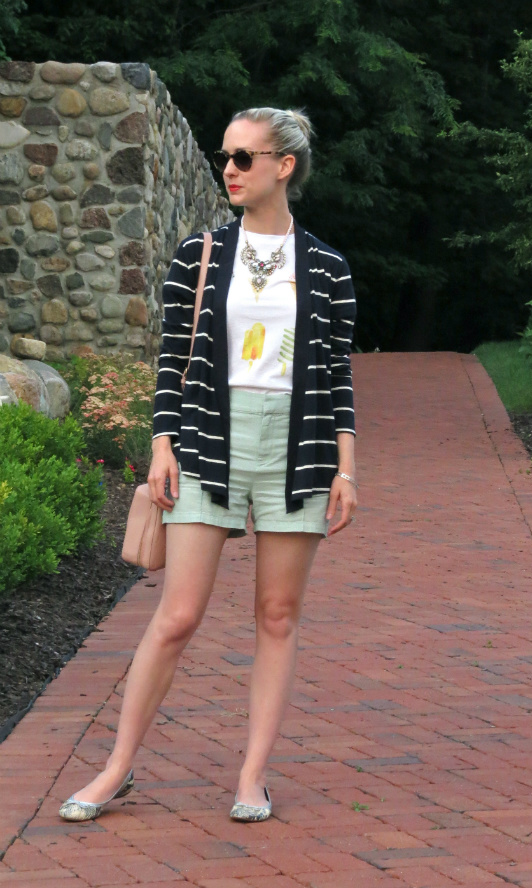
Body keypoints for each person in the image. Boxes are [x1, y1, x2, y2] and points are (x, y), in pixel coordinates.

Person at [59, 107, 358, 824]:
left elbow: (337, 374)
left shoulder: (327, 267)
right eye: (225, 155)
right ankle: (115, 767)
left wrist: (348, 469)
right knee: (177, 614)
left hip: (299, 447)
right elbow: (171, 361)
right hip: (207, 442)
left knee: (277, 616)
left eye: (244, 157)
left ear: (284, 166)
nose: (229, 167)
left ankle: (252, 776)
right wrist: (161, 444)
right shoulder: (197, 254)